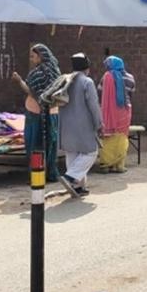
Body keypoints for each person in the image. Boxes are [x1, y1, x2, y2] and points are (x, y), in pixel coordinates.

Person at [12, 44, 61, 183]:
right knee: (50, 144)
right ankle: (51, 172)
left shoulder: (37, 73)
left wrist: (19, 81)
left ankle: (37, 175)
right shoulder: (56, 72)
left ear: (40, 56)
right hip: (52, 113)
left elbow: (32, 92)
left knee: (35, 145)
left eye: (33, 57)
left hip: (35, 114)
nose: (32, 60)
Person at [58, 53, 102, 196]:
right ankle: (70, 177)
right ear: (87, 68)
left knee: (73, 153)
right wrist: (99, 123)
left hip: (65, 124)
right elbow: (94, 106)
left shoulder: (65, 80)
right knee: (91, 152)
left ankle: (78, 187)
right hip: (83, 125)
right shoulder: (87, 82)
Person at [96, 55, 136, 174]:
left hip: (109, 110)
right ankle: (119, 165)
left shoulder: (107, 77)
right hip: (124, 110)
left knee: (108, 135)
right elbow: (131, 93)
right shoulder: (130, 78)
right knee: (122, 136)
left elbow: (100, 90)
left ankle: (105, 164)